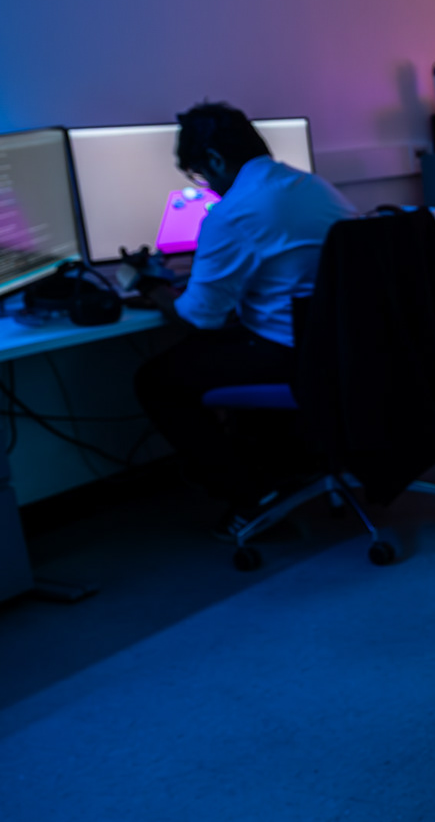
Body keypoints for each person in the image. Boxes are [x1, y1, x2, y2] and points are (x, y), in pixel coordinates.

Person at [133, 102, 354, 532]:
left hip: (294, 353)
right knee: (226, 346)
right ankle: (283, 463)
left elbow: (201, 318)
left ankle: (250, 494)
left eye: (200, 175)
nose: (207, 187)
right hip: (345, 346)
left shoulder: (233, 212)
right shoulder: (316, 187)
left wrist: (151, 289)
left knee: (156, 380)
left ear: (214, 159)